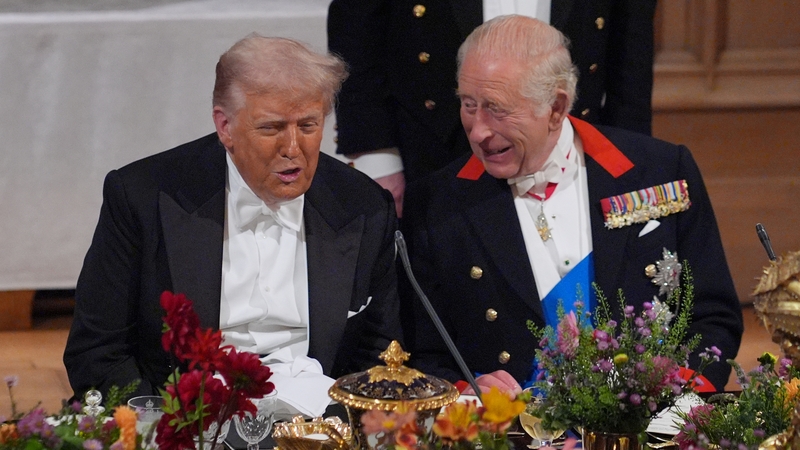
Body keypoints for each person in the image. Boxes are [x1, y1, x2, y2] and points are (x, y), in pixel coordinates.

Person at [399, 15, 743, 392]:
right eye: (469, 104)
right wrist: (469, 393)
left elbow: (713, 316)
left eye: (497, 109)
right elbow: (423, 355)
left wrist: (672, 397)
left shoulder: (660, 171)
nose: (478, 131)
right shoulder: (435, 204)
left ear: (557, 107)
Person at [63, 35, 403, 405]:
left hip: (319, 423)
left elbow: (380, 352)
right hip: (184, 418)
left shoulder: (364, 206)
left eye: (308, 125)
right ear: (225, 126)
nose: (293, 148)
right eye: (271, 128)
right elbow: (97, 350)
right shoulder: (142, 198)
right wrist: (162, 424)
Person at [327, 0, 657, 216]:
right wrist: (378, 158)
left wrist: (623, 160)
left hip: (572, 147)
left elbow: (633, 41)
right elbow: (356, 23)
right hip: (432, 150)